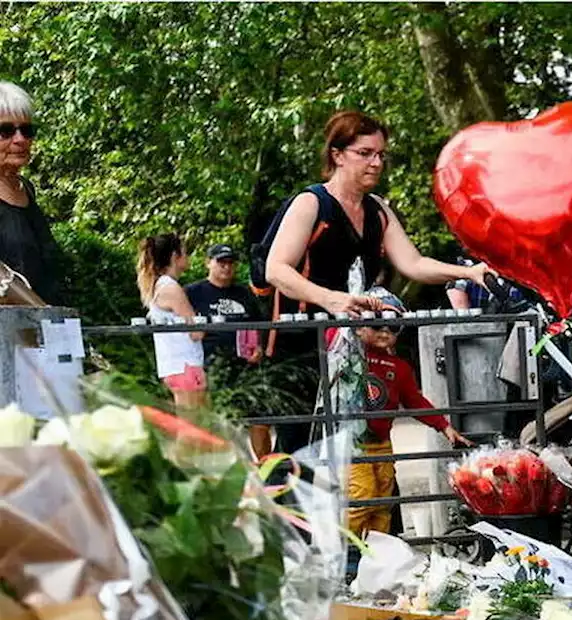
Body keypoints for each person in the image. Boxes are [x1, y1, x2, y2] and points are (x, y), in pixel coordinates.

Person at [264, 110, 488, 453]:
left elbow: (414, 263)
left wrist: (469, 273)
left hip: (355, 349)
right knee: (299, 454)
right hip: (299, 349)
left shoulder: (378, 210)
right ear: (337, 155)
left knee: (362, 450)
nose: (376, 162)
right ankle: (281, 507)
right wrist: (331, 299)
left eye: (381, 154)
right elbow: (276, 269)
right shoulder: (310, 203)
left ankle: (377, 510)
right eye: (365, 153)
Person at [344, 288, 473, 538]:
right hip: (354, 443)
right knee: (362, 496)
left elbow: (414, 400)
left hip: (382, 444)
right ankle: (345, 550)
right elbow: (332, 337)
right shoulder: (349, 356)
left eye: (392, 327)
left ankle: (377, 551)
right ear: (360, 326)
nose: (384, 332)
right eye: (377, 323)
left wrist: (443, 425)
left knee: (382, 501)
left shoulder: (399, 367)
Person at [184, 243, 276, 457]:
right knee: (213, 422)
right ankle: (216, 471)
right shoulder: (192, 292)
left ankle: (267, 469)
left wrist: (260, 347)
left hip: (246, 366)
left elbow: (260, 324)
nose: (226, 267)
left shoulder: (244, 293)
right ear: (208, 262)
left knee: (260, 419)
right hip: (211, 367)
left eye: (231, 263)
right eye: (221, 262)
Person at [0, 81, 60, 304]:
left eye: (26, 130)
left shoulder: (27, 189)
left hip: (44, 329)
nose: (20, 139)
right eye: (5, 131)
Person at [136, 233, 206, 410]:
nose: (188, 257)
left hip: (174, 364)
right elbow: (196, 331)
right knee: (192, 427)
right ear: (175, 256)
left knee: (197, 426)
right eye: (185, 252)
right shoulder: (171, 288)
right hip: (185, 364)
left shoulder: (160, 285)